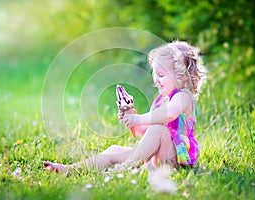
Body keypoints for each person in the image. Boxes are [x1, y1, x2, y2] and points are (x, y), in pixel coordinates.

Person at [43, 40, 206, 173]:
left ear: (181, 75)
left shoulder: (183, 97)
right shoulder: (161, 101)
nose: (156, 79)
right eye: (155, 74)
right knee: (113, 150)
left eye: (161, 75)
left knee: (159, 129)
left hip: (176, 159)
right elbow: (148, 136)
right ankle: (69, 170)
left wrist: (139, 118)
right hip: (158, 157)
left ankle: (124, 168)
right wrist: (133, 119)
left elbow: (169, 115)